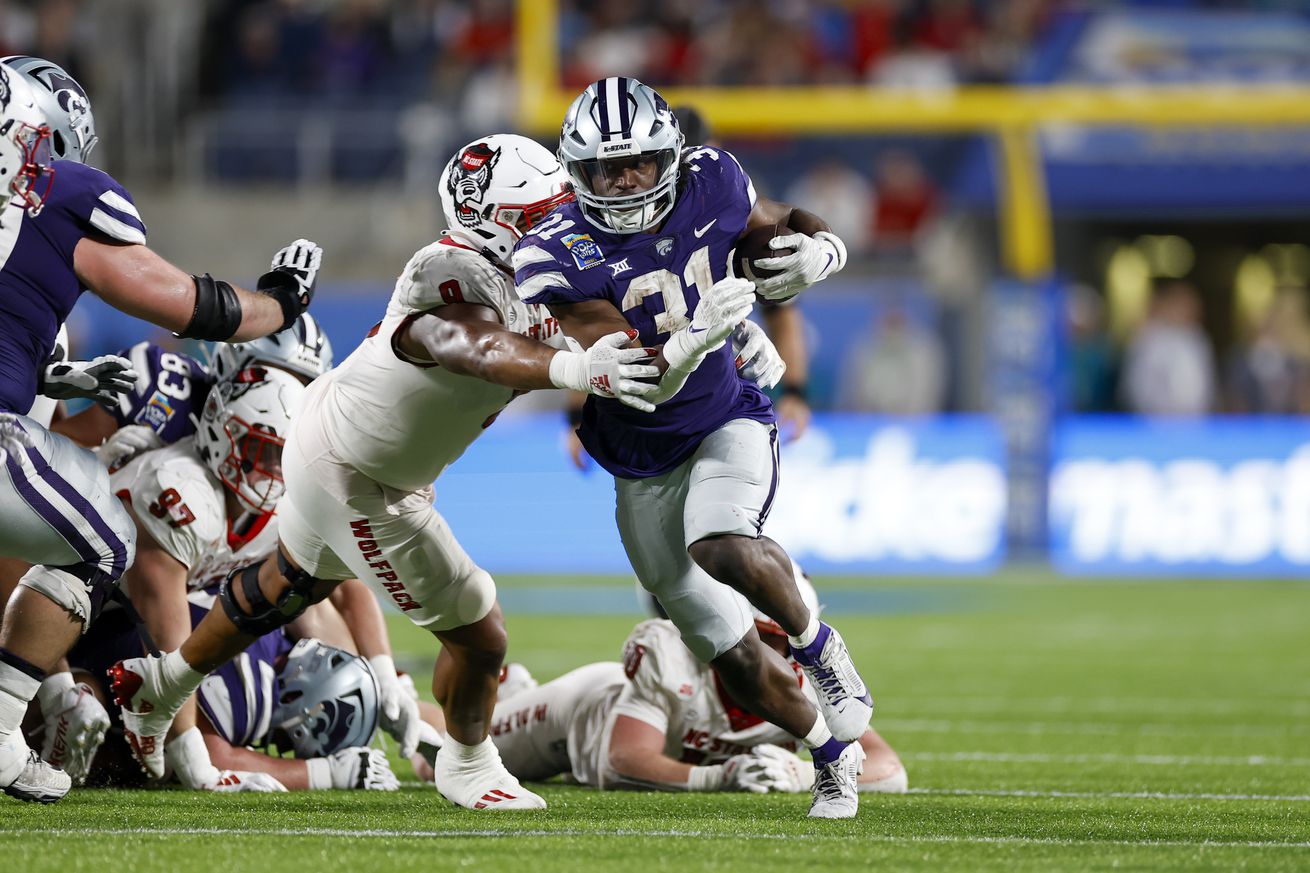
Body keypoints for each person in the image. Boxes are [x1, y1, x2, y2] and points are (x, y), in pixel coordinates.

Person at [108, 133, 743, 810]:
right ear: (494, 223)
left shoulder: (550, 267)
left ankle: (163, 687)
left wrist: (698, 336)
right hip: (357, 472)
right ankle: (469, 763)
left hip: (350, 439)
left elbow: (618, 333)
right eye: (541, 211)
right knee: (479, 627)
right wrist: (572, 368)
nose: (562, 218)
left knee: (284, 587)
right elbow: (467, 344)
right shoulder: (448, 272)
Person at [513, 77, 871, 819]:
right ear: (576, 172)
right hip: (639, 451)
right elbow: (621, 365)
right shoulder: (554, 249)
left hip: (722, 415)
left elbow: (775, 223)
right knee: (725, 646)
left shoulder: (711, 180)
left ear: (668, 155)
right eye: (605, 169)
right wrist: (702, 332)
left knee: (721, 538)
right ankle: (832, 755)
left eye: (638, 162)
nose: (622, 181)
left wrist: (819, 248)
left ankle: (821, 648)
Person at [0, 64, 321, 804]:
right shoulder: (66, 193)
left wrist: (47, 377)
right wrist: (279, 300)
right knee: (102, 538)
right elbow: (191, 307)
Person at [413, 571, 907, 797]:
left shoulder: (816, 680)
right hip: (582, 718)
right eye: (760, 640)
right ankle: (399, 699)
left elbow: (889, 770)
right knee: (434, 756)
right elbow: (622, 760)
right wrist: (722, 777)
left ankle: (516, 686)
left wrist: (805, 776)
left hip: (630, 721)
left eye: (784, 642)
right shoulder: (673, 655)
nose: (774, 658)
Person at [49, 591, 396, 793]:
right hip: (68, 654)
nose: (284, 747)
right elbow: (213, 756)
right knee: (155, 765)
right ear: (300, 707)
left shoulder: (273, 619)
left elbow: (331, 596)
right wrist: (326, 773)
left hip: (81, 613)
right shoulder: (252, 695)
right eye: (292, 744)